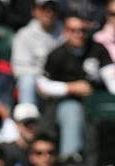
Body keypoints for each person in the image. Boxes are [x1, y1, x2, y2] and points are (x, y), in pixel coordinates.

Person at [38, 12, 115, 157]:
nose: (79, 34)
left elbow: (111, 76)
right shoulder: (57, 55)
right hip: (65, 105)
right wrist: (70, 88)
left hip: (95, 104)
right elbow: (43, 85)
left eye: (82, 30)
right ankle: (70, 160)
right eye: (73, 30)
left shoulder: (97, 49)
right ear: (65, 32)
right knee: (72, 110)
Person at [11, 0, 63, 105]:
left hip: (59, 80)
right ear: (35, 11)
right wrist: (42, 81)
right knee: (27, 82)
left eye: (52, 9)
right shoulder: (24, 35)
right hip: (36, 81)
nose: (49, 13)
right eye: (44, 9)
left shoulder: (66, 32)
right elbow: (19, 69)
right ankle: (28, 118)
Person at [1, 102, 41, 166]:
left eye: (34, 123)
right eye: (26, 124)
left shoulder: (44, 151)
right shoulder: (5, 151)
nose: (31, 128)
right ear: (17, 124)